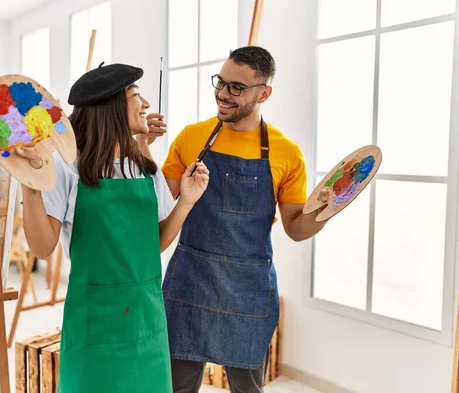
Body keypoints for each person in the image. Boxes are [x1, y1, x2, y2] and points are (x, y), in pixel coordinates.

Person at [137, 46, 329, 393]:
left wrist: (326, 210)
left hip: (248, 290)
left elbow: (296, 229)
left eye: (237, 88)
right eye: (221, 82)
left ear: (264, 93)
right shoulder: (192, 137)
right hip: (190, 282)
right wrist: (142, 146)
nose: (223, 94)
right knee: (176, 388)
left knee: (248, 390)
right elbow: (156, 207)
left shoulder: (287, 153)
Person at [16, 63, 210, 392]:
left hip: (146, 321)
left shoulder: (145, 167)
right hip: (94, 325)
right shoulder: (67, 166)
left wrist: (187, 201)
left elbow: (156, 242)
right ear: (112, 106)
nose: (146, 104)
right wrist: (30, 182)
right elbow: (42, 247)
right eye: (136, 95)